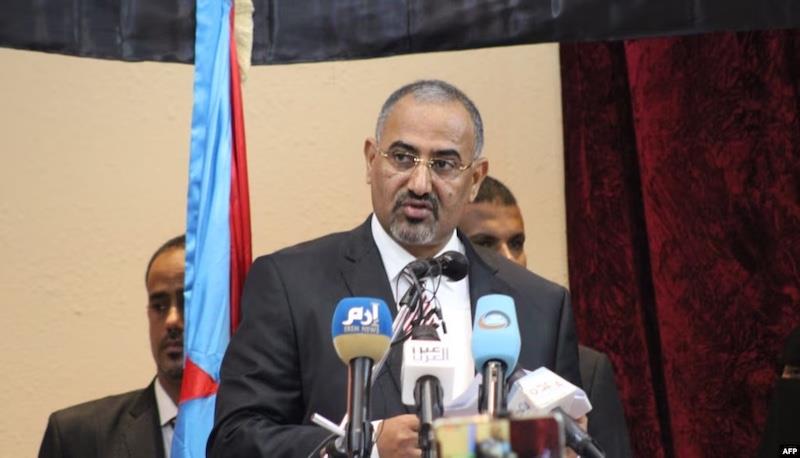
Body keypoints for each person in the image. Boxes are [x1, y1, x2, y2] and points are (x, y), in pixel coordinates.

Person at [208, 80, 581, 458]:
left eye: (444, 164)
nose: (419, 184)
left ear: (475, 180)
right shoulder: (290, 284)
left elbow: (570, 439)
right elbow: (234, 441)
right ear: (371, 160)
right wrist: (364, 447)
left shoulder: (541, 306)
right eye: (402, 158)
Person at [459, 176, 633, 458]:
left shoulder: (589, 369)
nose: (509, 258)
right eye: (486, 244)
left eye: (517, 243)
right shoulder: (436, 369)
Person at [38, 235, 185, 458]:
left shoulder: (242, 430)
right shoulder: (76, 437)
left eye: (187, 303)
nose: (172, 321)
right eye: (159, 306)